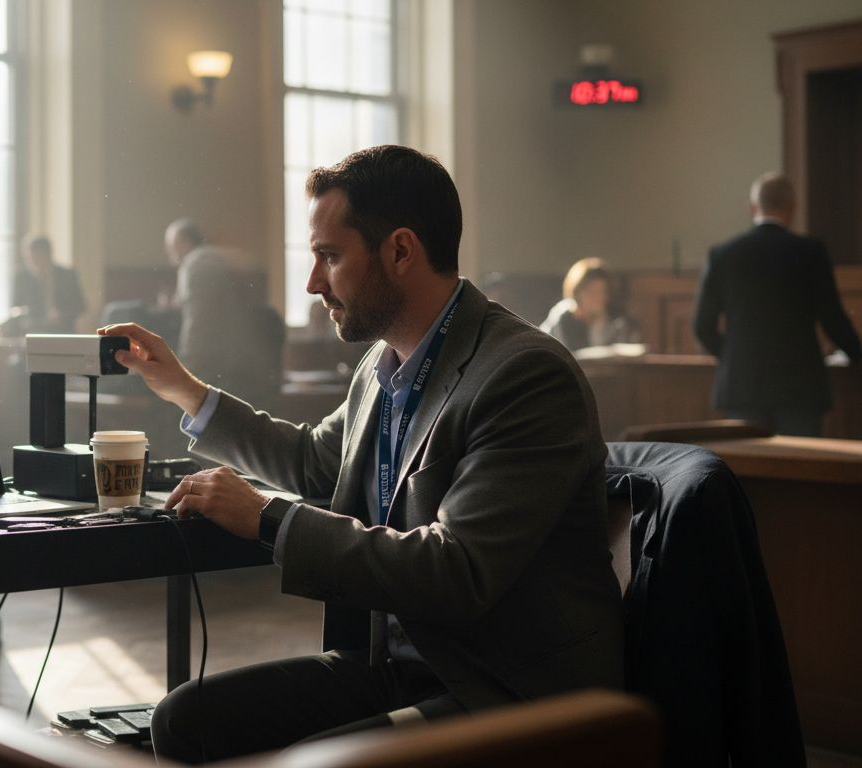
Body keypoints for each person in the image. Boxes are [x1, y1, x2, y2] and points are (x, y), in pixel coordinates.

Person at [100, 145, 623, 763]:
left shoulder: (524, 373)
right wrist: (184, 388)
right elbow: (315, 463)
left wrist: (268, 516)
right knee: (184, 719)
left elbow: (457, 571)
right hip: (402, 664)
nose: (312, 281)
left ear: (400, 251)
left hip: (500, 687)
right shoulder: (384, 362)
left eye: (329, 256)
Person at [693, 172, 860, 437]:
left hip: (742, 386)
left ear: (752, 207)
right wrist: (858, 355)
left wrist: (735, 358)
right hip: (800, 386)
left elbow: (702, 326)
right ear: (792, 207)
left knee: (749, 472)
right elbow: (834, 319)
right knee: (801, 469)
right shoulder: (810, 252)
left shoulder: (722, 255)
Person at [164, 217, 285, 408]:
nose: (170, 256)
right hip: (256, 370)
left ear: (182, 243)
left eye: (171, 247)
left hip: (219, 372)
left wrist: (184, 371)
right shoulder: (228, 259)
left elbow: (197, 324)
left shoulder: (195, 265)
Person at [539, 258, 635, 351]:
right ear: (578, 292)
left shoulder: (614, 319)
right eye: (591, 292)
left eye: (602, 292)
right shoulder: (563, 317)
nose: (598, 297)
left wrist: (598, 326)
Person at [10, 235, 86, 334]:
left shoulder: (67, 275)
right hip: (30, 330)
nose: (34, 262)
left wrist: (61, 314)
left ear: (48, 254)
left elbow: (81, 306)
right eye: (30, 258)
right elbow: (15, 307)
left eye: (39, 257)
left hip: (62, 330)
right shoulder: (21, 277)